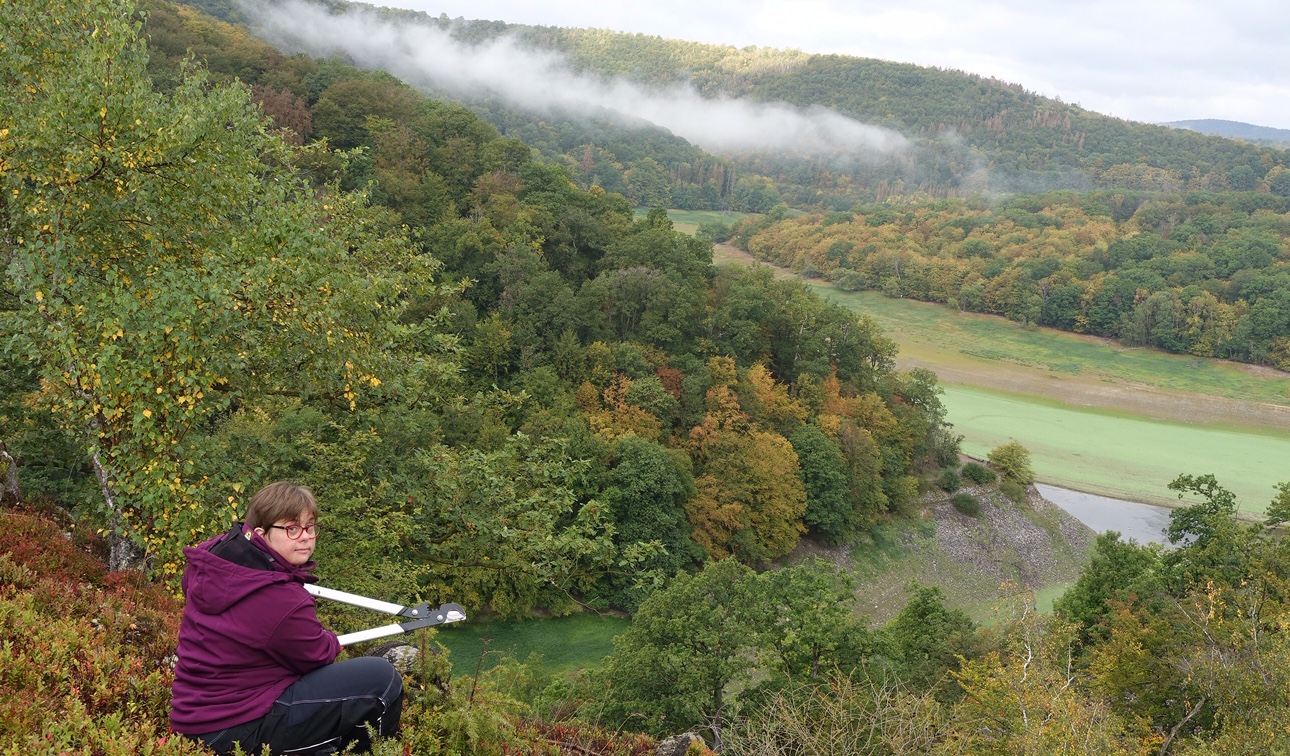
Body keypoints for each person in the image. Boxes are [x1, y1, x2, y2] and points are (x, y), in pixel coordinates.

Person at [170, 481, 403, 755]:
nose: (305, 536)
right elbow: (318, 655)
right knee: (382, 680)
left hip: (194, 716)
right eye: (292, 528)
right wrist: (327, 638)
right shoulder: (279, 599)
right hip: (236, 730)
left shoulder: (215, 560)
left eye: (310, 526)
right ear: (261, 533)